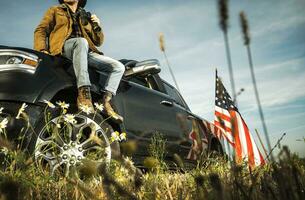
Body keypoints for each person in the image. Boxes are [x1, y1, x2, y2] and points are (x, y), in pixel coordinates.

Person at [34, 0, 125, 122]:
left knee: (118, 67)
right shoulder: (55, 10)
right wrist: (41, 50)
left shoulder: (85, 16)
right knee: (81, 41)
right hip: (63, 48)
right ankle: (84, 95)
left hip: (85, 51)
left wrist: (97, 26)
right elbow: (41, 30)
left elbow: (98, 41)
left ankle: (105, 102)